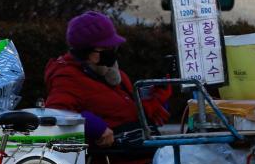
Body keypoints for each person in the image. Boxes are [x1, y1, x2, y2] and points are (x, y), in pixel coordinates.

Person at [44, 11, 170, 148]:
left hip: (143, 151)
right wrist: (95, 127)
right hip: (117, 162)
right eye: (104, 48)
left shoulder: (112, 73)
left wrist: (157, 97)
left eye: (112, 47)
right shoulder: (67, 78)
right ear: (85, 52)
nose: (110, 53)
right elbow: (56, 113)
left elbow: (131, 111)